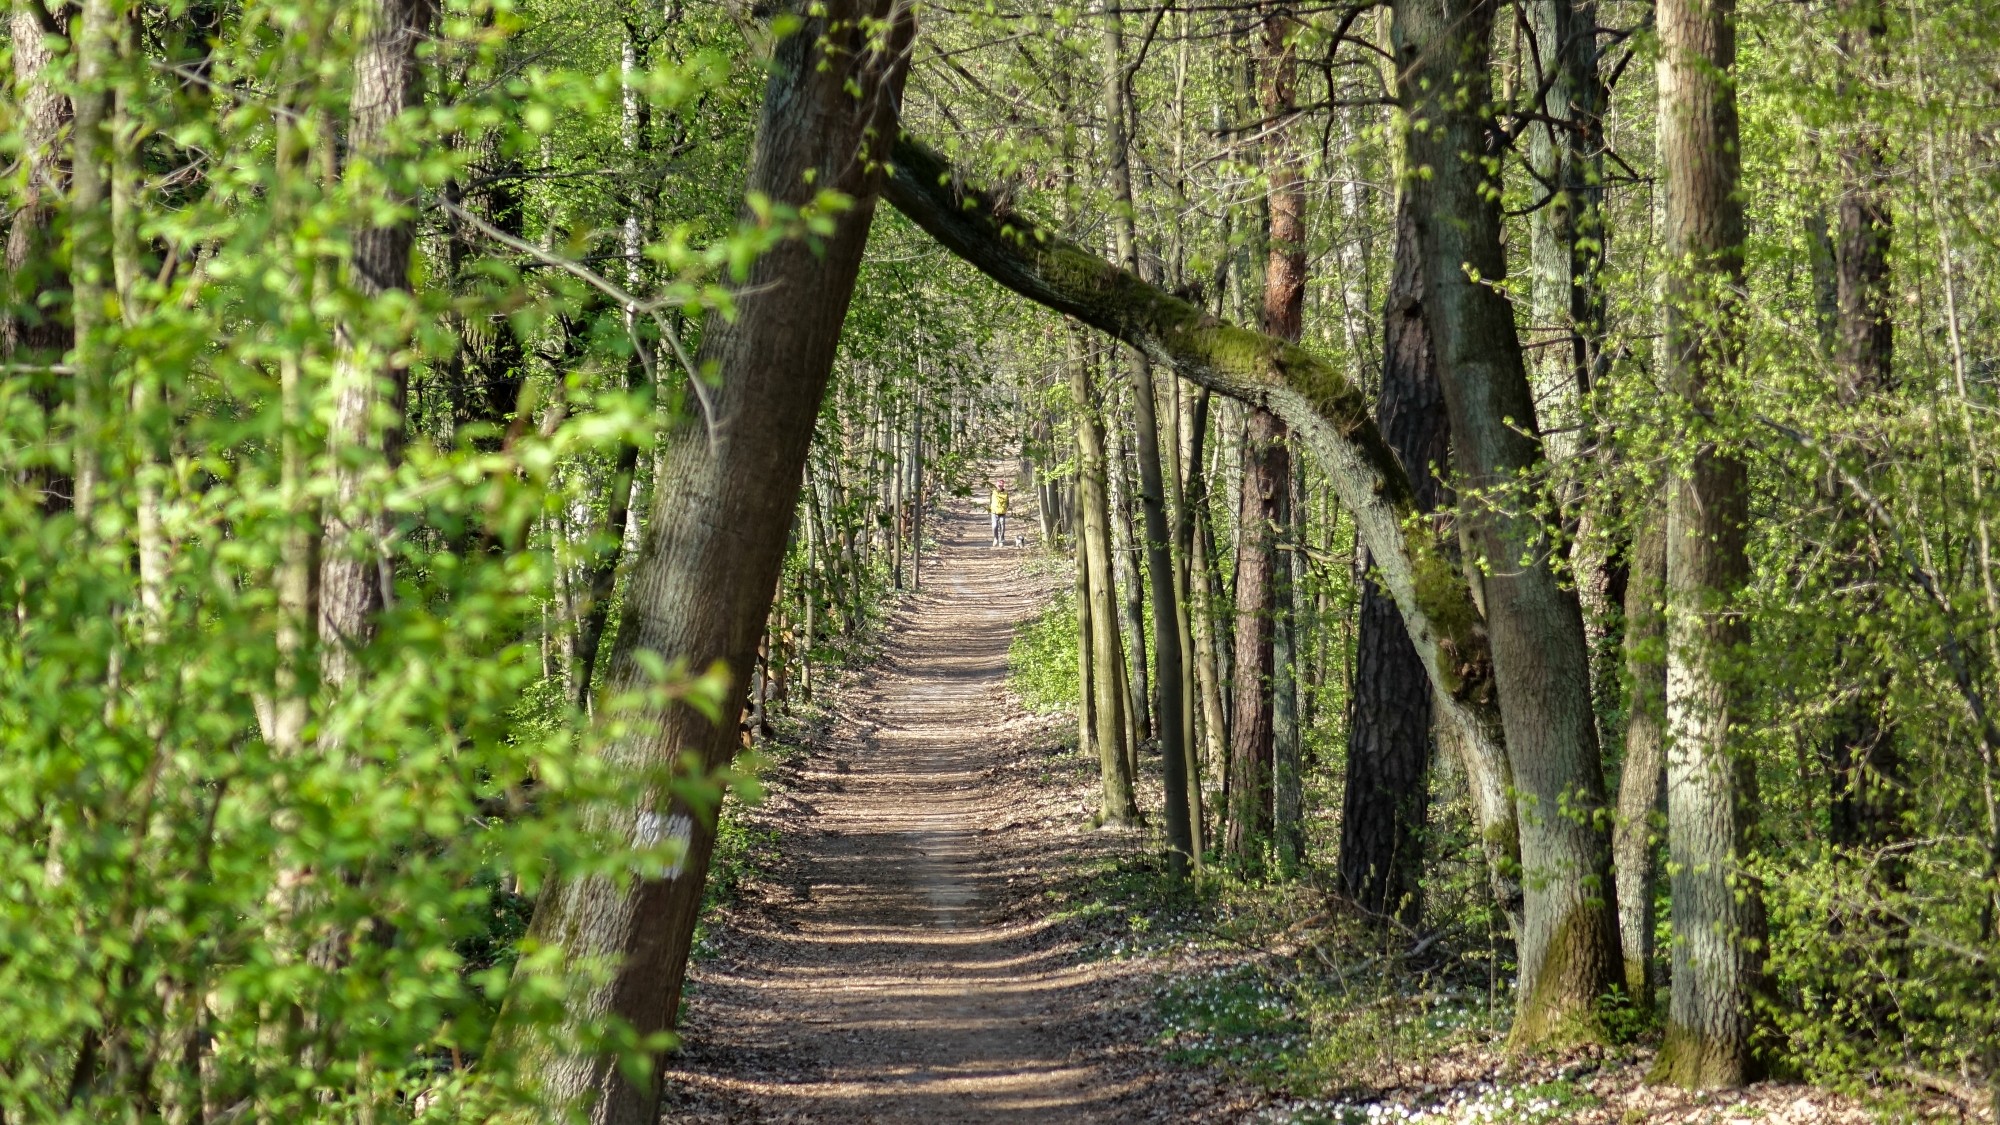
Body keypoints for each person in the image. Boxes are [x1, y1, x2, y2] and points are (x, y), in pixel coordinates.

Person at [989, 481, 1010, 547]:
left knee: (1002, 526)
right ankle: (995, 538)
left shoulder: (1006, 492)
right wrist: (992, 508)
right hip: (994, 512)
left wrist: (1005, 508)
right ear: (996, 485)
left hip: (1002, 512)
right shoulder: (993, 492)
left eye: (1001, 486)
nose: (1000, 487)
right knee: (994, 526)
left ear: (1003, 486)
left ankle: (1001, 540)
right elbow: (990, 501)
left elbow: (1007, 502)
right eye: (999, 485)